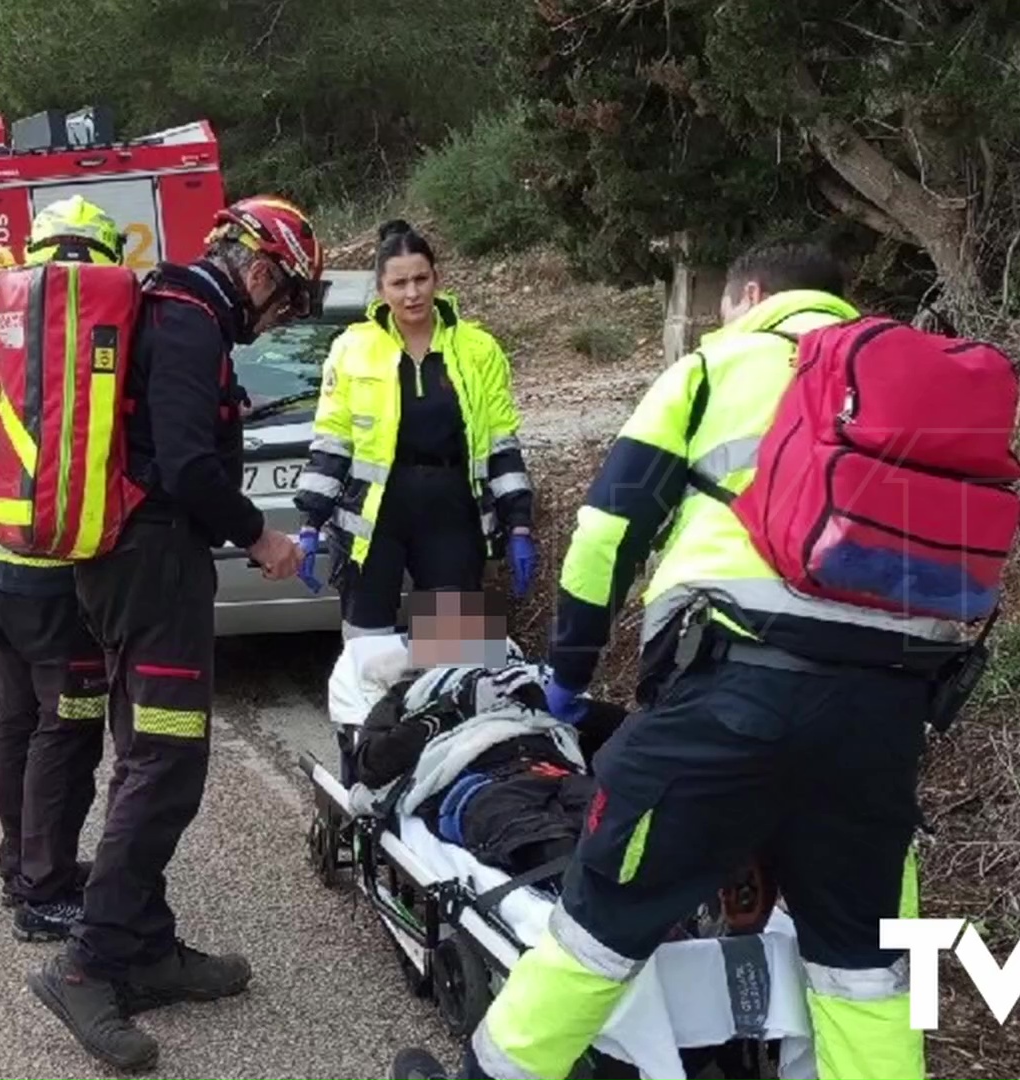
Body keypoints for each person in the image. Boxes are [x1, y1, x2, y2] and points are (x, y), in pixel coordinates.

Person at [396, 241, 962, 1080]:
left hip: (732, 703)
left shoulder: (717, 365)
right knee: (862, 969)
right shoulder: (910, 390)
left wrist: (571, 674)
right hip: (880, 717)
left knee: (600, 919)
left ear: (751, 294)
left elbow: (604, 536)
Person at [25, 195, 320, 1073]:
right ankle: (89, 966)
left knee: (147, 753)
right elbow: (190, 466)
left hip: (132, 564)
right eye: (285, 305)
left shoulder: (168, 307)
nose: (276, 325)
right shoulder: (191, 322)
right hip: (153, 568)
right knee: (166, 763)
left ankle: (146, 946)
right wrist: (260, 535)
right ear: (261, 272)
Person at [0, 196, 120, 942]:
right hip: (63, 571)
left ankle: (20, 861)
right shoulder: (103, 335)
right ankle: (46, 889)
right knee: (69, 728)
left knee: (15, 717)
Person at [294, 220, 534, 637]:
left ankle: (445, 699)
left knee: (456, 657)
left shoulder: (479, 348)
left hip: (452, 511)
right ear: (381, 289)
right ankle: (374, 705)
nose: (412, 293)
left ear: (437, 278)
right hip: (374, 518)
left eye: (421, 279)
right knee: (368, 655)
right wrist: (311, 522)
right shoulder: (352, 347)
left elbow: (501, 442)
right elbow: (333, 441)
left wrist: (519, 525)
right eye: (399, 282)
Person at [351, 588, 620, 884]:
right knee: (552, 848)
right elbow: (369, 766)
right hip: (478, 781)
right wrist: (453, 708)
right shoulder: (414, 695)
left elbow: (628, 732)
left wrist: (570, 707)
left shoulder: (534, 676)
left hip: (555, 770)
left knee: (627, 835)